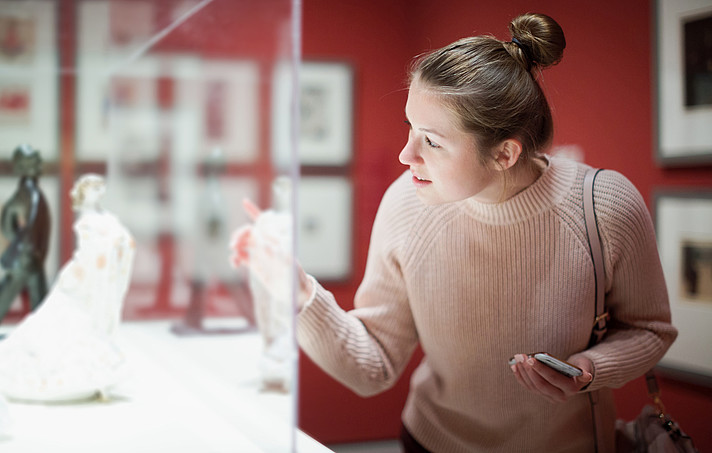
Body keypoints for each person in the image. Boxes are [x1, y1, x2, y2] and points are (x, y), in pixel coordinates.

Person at [231, 13, 677, 453]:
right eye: (410, 128)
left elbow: (651, 331)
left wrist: (589, 369)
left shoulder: (604, 206)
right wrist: (299, 294)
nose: (406, 156)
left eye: (433, 141)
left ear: (504, 153)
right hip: (431, 442)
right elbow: (374, 367)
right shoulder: (406, 203)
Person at [0, 174, 135, 402]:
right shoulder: (86, 221)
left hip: (96, 277)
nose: (98, 190)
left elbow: (119, 241)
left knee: (83, 320)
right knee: (62, 319)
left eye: (99, 187)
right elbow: (93, 250)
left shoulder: (106, 217)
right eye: (92, 187)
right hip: (86, 276)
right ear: (83, 192)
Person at [0, 144, 51, 324]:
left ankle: (42, 332)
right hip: (24, 258)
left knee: (40, 303)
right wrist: (19, 240)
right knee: (6, 295)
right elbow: (7, 223)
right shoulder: (26, 195)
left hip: (32, 259)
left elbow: (8, 225)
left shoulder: (30, 194)